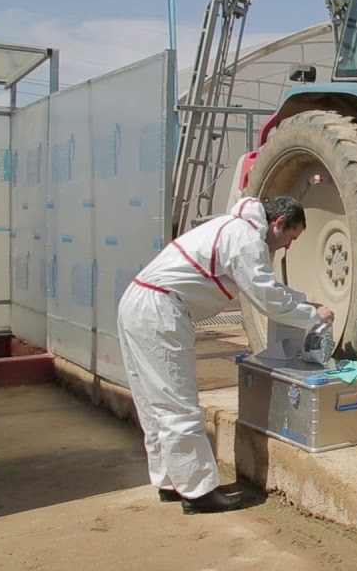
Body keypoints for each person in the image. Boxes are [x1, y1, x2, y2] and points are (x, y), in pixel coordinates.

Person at [116, 195, 333, 514]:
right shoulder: (246, 239)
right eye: (291, 238)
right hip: (159, 310)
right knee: (178, 402)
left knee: (154, 402)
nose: (287, 246)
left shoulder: (234, 229)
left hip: (139, 303)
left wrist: (304, 305)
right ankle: (199, 493)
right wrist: (313, 315)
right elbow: (266, 297)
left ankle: (170, 481)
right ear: (278, 223)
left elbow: (265, 287)